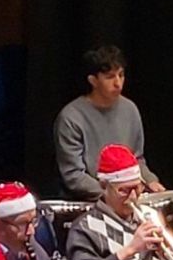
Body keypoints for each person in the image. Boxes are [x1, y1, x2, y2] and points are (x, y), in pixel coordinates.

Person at [54, 44, 161, 201]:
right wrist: (112, 193)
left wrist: (150, 181)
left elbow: (136, 159)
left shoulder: (130, 109)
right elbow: (73, 175)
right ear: (93, 81)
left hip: (125, 197)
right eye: (110, 77)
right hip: (91, 202)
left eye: (121, 75)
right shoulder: (71, 117)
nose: (118, 83)